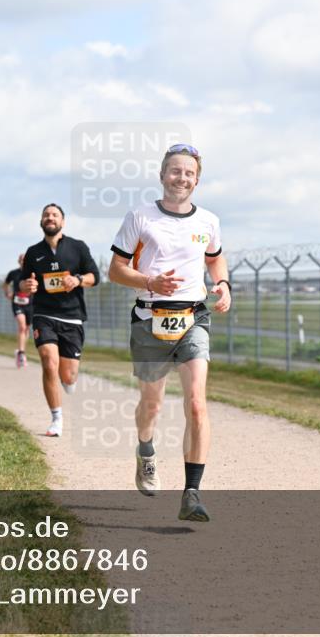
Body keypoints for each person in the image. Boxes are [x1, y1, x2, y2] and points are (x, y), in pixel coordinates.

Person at [107, 144, 230, 522]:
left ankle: (192, 492)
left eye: (189, 173)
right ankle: (146, 451)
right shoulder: (140, 217)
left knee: (196, 402)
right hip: (149, 320)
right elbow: (115, 269)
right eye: (175, 171)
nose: (182, 178)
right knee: (152, 406)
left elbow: (214, 257)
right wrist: (149, 281)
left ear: (197, 179)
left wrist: (222, 283)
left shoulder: (208, 221)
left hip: (193, 318)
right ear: (162, 176)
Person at [19, 203, 100, 437]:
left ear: (62, 221)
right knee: (48, 361)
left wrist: (77, 279)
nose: (50, 218)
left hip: (72, 317)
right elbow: (24, 283)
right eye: (46, 215)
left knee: (68, 376)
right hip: (44, 314)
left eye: (55, 215)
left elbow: (95, 276)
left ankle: (68, 380)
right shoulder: (33, 252)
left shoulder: (78, 247)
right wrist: (27, 285)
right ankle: (56, 418)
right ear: (41, 221)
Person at [3, 253, 33, 368]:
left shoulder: (32, 273)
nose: (22, 262)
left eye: (25, 260)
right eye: (21, 260)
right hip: (17, 303)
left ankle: (21, 350)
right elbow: (5, 284)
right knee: (22, 325)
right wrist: (8, 293)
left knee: (26, 329)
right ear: (18, 261)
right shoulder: (14, 273)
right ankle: (21, 353)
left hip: (30, 304)